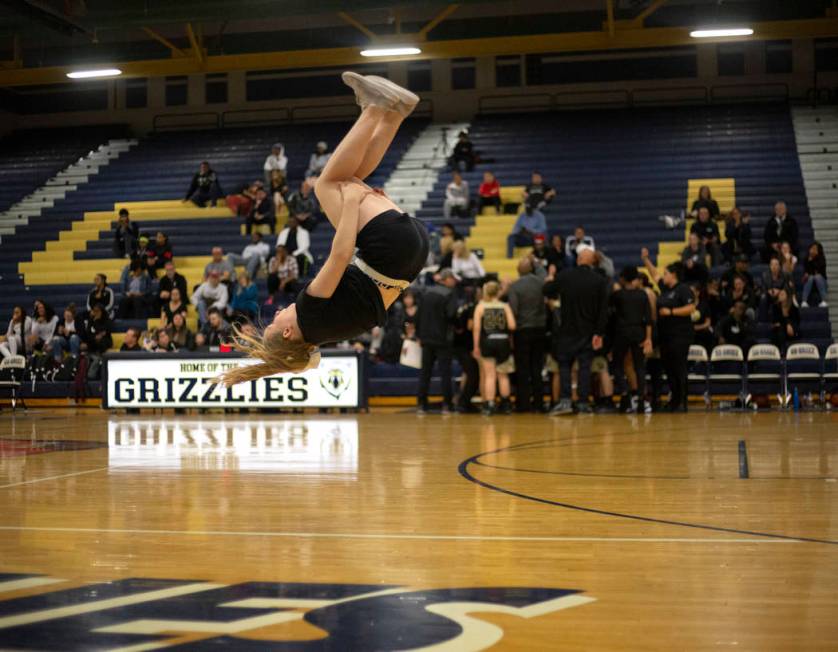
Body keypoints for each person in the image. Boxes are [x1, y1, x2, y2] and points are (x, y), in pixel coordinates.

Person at [216, 72, 428, 384]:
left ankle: (395, 113)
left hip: (410, 254)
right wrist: (354, 205)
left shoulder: (325, 331)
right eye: (275, 322)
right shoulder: (309, 313)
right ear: (288, 333)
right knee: (327, 184)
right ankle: (374, 108)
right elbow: (340, 255)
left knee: (348, 178)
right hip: (391, 249)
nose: (275, 315)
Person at [545, 247, 609, 415]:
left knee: (564, 366)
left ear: (579, 259)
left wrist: (551, 276)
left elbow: (547, 291)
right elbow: (603, 310)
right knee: (585, 368)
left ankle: (565, 401)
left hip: (567, 330)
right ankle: (582, 403)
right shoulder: (600, 280)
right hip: (588, 331)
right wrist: (599, 333)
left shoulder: (566, 275)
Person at [641, 251, 696, 412]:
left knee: (679, 368)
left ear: (674, 275)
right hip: (666, 335)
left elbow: (691, 308)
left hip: (680, 336)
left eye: (666, 273)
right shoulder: (665, 288)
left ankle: (682, 402)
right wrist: (645, 259)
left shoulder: (683, 289)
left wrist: (671, 312)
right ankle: (674, 400)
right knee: (669, 369)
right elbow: (654, 274)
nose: (663, 276)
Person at [415, 269, 458, 414]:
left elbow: (418, 315)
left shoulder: (426, 292)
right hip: (442, 340)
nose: (454, 281)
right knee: (445, 373)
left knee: (425, 373)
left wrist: (419, 335)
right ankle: (447, 405)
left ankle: (421, 404)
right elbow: (452, 315)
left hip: (426, 339)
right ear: (446, 279)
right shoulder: (449, 294)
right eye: (453, 278)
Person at [610, 267, 653, 414]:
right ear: (635, 279)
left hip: (622, 332)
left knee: (617, 365)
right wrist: (648, 338)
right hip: (638, 332)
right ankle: (641, 399)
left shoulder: (618, 295)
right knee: (639, 366)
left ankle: (625, 393)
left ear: (623, 279)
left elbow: (610, 313)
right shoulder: (642, 294)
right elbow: (649, 318)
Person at [507, 257, 547, 413]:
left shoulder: (515, 286)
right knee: (537, 368)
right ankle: (539, 403)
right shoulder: (541, 283)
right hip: (540, 328)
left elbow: (514, 310)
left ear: (518, 270)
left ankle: (523, 404)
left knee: (523, 369)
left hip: (522, 330)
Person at [473, 280, 516, 416]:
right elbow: (512, 326)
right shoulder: (505, 306)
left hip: (488, 341)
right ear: (498, 291)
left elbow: (476, 329)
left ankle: (489, 404)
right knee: (503, 375)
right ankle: (506, 404)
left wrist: (476, 346)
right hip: (503, 341)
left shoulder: (480, 307)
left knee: (489, 375)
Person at [451, 288, 479, 413]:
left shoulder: (464, 307)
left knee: (469, 374)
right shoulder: (474, 308)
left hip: (460, 346)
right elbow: (469, 326)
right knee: (473, 375)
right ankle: (463, 403)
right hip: (464, 347)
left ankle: (462, 401)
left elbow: (458, 327)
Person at [771, 288, 800, 352]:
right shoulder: (775, 307)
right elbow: (774, 321)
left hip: (791, 330)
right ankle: (782, 350)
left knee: (782, 328)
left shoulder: (792, 307)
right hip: (780, 330)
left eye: (782, 294)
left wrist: (789, 325)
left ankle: (782, 350)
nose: (780, 296)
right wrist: (787, 324)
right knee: (779, 329)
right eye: (780, 294)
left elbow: (797, 320)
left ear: (787, 296)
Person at [801, 242, 828, 308]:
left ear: (818, 250)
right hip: (810, 283)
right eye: (812, 248)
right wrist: (810, 260)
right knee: (810, 277)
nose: (813, 250)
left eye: (815, 249)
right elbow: (807, 272)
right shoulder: (806, 259)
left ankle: (824, 300)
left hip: (821, 282)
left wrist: (812, 260)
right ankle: (804, 301)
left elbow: (818, 269)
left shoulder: (822, 259)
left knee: (817, 277)